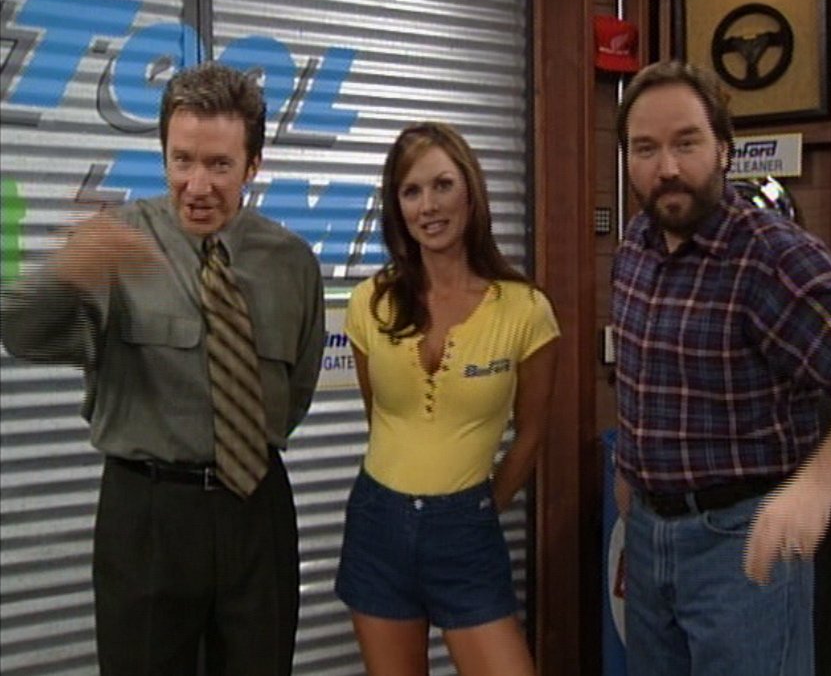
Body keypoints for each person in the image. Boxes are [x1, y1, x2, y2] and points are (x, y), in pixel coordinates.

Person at [1, 62, 325, 675]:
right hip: (147, 517)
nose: (197, 185)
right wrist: (66, 269)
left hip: (255, 513)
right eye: (182, 161)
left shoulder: (291, 263)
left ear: (253, 166)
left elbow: (297, 390)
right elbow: (17, 331)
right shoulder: (115, 241)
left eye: (219, 165)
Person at [610, 60, 831, 676]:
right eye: (645, 149)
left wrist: (816, 487)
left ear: (724, 149)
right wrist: (631, 479)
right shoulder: (636, 244)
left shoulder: (769, 255)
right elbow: (641, 374)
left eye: (686, 143)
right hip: (649, 539)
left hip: (741, 546)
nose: (666, 167)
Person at [334, 121, 559, 676]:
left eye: (442, 185)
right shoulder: (369, 302)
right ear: (397, 208)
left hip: (467, 532)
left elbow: (531, 433)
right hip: (378, 523)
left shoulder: (525, 310)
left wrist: (480, 508)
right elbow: (379, 416)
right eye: (411, 192)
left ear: (470, 192)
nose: (429, 206)